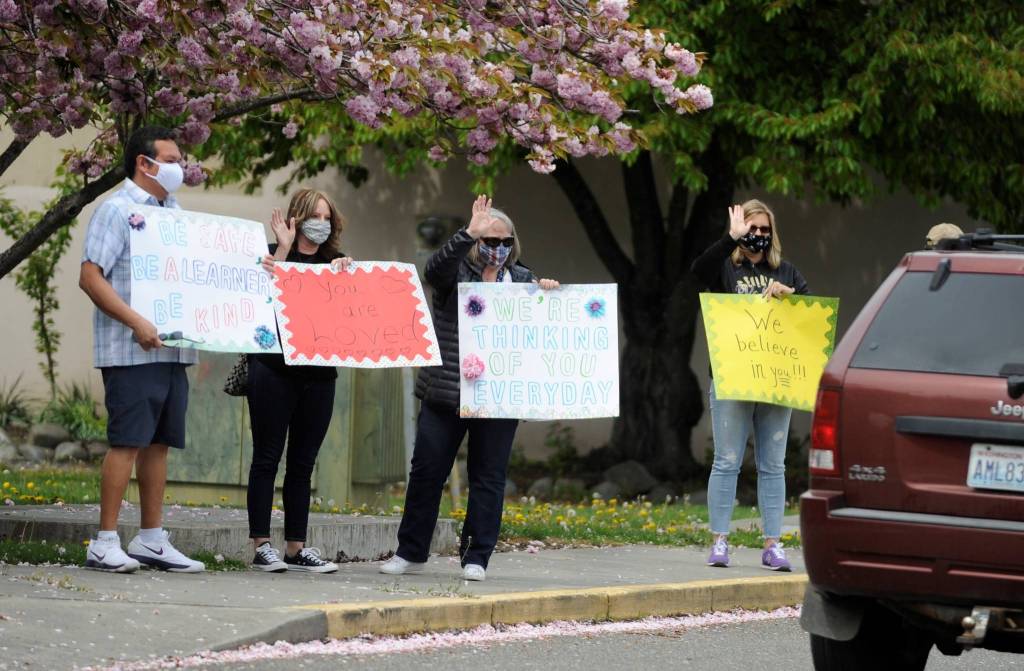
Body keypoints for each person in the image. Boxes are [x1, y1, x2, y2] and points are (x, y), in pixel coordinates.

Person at [379, 195, 560, 582]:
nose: (497, 248)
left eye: (504, 241)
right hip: (447, 392)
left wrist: (549, 294)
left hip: (497, 398)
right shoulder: (457, 274)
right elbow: (433, 270)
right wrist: (466, 233)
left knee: (489, 477)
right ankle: (410, 551)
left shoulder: (523, 281)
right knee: (427, 471)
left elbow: (538, 332)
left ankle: (477, 556)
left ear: (514, 244)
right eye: (488, 240)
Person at [79, 126, 204, 573]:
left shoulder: (175, 213)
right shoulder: (116, 211)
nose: (180, 167)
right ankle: (105, 540)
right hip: (130, 350)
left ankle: (151, 539)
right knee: (127, 442)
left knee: (159, 445)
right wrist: (136, 322)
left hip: (171, 351)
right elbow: (90, 276)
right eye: (171, 159)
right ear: (144, 163)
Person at [690, 199, 808, 572]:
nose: (757, 236)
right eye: (751, 229)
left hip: (776, 380)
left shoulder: (787, 272)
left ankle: (773, 544)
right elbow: (697, 271)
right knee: (727, 461)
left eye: (763, 230)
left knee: (773, 465)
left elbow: (808, 318)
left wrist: (791, 299)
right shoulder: (725, 267)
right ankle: (720, 540)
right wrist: (731, 239)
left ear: (772, 234)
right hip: (732, 377)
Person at [246, 188, 351, 573]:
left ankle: (295, 547)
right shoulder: (272, 256)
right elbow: (261, 301)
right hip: (273, 370)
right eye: (313, 216)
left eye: (326, 218)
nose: (320, 224)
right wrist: (285, 251)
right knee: (267, 457)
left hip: (319, 376)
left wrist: (348, 276)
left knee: (303, 463)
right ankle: (261, 544)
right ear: (295, 217)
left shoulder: (336, 262)